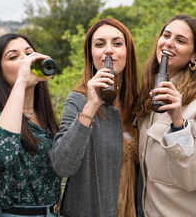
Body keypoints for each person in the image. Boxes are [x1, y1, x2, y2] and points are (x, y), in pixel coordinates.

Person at [50, 18, 143, 216]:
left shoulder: (139, 103)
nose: (109, 50)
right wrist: (91, 106)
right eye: (100, 44)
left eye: (117, 43)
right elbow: (61, 165)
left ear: (128, 53)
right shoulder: (78, 99)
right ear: (91, 56)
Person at [134, 14, 196, 216]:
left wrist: (178, 122)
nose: (169, 43)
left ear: (195, 55)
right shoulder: (147, 93)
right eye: (166, 35)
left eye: (180, 41)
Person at [0, 33, 60, 216]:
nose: (25, 61)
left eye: (29, 54)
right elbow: (2, 154)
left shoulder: (45, 117)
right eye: (14, 57)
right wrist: (21, 82)